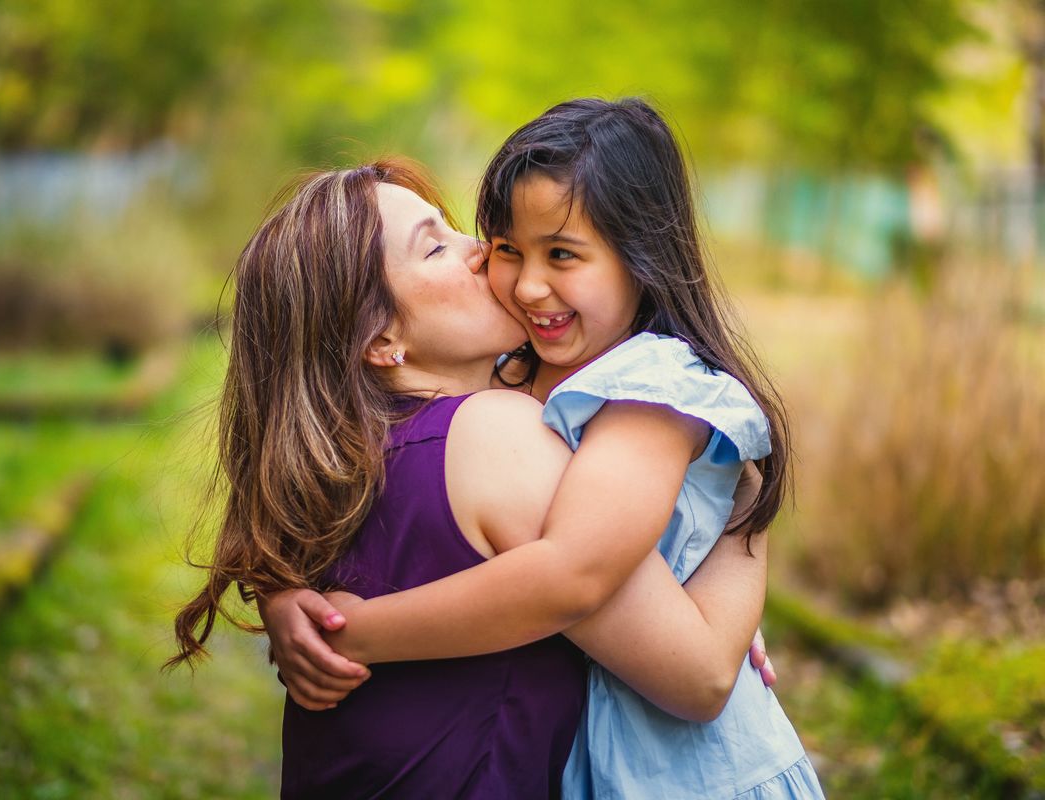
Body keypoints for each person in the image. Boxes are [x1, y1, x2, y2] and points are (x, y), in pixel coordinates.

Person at [267, 98, 824, 799]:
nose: (525, 284)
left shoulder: (648, 391)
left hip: (695, 777)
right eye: (506, 249)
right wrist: (285, 597)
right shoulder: (514, 385)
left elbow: (578, 580)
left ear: (641, 257)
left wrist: (353, 632)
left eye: (561, 255)